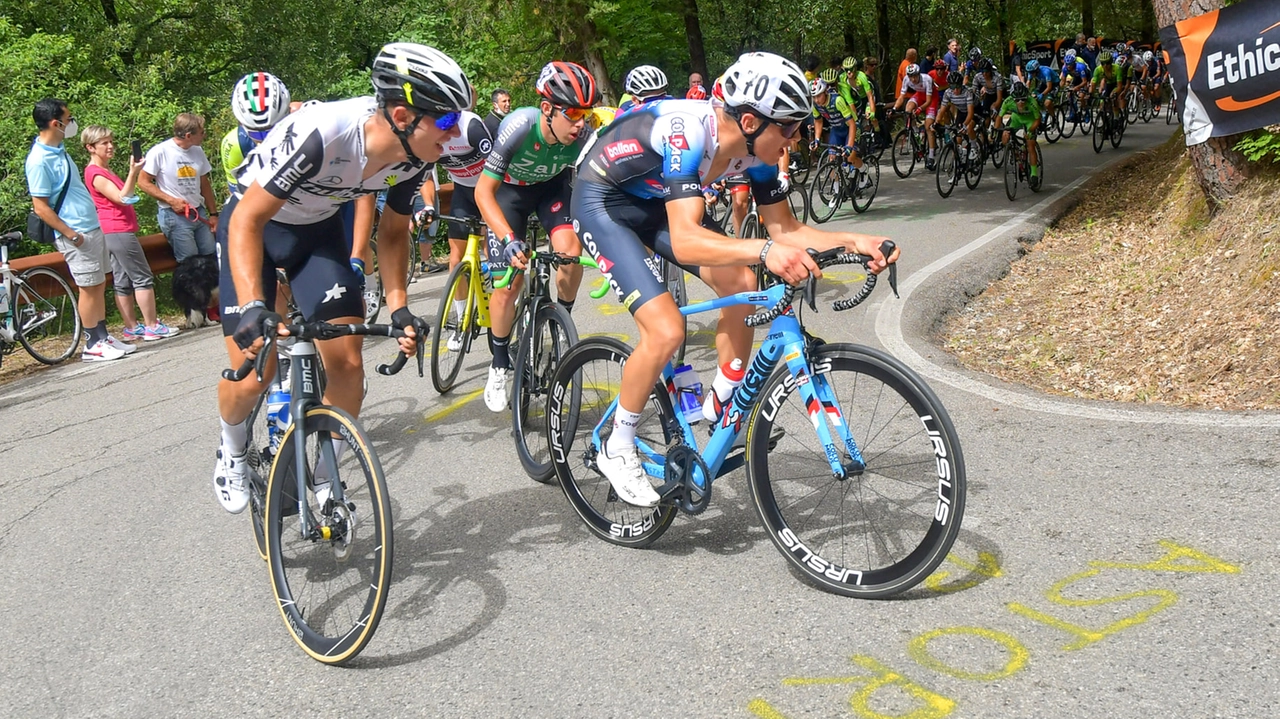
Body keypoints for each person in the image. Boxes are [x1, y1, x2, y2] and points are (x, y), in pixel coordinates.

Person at [571, 52, 896, 506]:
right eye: (789, 127)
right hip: (602, 200)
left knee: (743, 282)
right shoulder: (686, 132)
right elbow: (686, 240)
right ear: (749, 121)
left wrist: (857, 241)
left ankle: (722, 397)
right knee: (666, 328)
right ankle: (616, 444)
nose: (797, 137)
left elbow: (788, 230)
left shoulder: (757, 153)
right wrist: (766, 250)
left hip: (652, 202)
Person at [211, 42, 468, 514]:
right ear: (403, 114)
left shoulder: (415, 156)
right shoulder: (325, 134)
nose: (453, 134)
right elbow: (247, 221)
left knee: (348, 365)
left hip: (316, 235)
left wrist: (399, 306)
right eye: (447, 120)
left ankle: (329, 479)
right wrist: (252, 305)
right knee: (257, 372)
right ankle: (231, 447)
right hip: (255, 229)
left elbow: (392, 234)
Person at [475, 61, 598, 413]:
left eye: (585, 115)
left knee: (570, 253)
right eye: (572, 113)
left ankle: (560, 321)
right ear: (547, 108)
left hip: (550, 192)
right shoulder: (518, 126)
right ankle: (499, 362)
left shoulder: (583, 137)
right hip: (510, 195)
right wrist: (507, 238)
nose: (579, 124)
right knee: (508, 283)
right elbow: (484, 193)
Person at [25, 98, 134, 362]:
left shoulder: (59, 149)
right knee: (88, 287)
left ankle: (103, 335)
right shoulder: (39, 160)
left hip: (90, 226)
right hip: (75, 233)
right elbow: (40, 207)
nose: (71, 124)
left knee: (98, 284)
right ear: (55, 123)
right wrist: (71, 234)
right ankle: (92, 342)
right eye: (68, 119)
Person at [81, 125, 180, 342]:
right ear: (90, 147)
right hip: (117, 229)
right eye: (104, 143)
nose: (110, 146)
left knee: (122, 280)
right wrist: (134, 171)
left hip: (114, 230)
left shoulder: (103, 170)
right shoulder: (95, 173)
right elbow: (121, 197)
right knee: (142, 277)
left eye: (110, 141)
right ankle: (151, 325)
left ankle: (132, 326)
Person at [416, 108, 493, 351]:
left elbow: (499, 164)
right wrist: (428, 206)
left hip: (491, 188)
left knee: (492, 249)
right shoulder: (427, 135)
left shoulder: (471, 129)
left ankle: (503, 299)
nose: (453, 133)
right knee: (456, 257)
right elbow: (426, 177)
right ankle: (463, 323)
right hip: (463, 192)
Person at [137, 113, 220, 264]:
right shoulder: (160, 152)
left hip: (198, 211)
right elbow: (143, 182)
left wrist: (213, 214)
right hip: (174, 215)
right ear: (189, 135)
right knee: (190, 262)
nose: (204, 135)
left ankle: (212, 287)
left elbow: (204, 182)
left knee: (211, 257)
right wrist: (171, 200)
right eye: (202, 133)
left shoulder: (197, 151)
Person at [220, 72, 292, 195]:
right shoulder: (235, 144)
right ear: (240, 123)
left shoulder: (307, 122)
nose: (267, 140)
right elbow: (237, 194)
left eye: (273, 131)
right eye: (258, 135)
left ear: (288, 113)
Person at [893, 63, 939, 168]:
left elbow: (928, 101)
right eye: (910, 76)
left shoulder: (926, 79)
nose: (913, 79)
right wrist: (894, 108)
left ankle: (931, 157)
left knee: (928, 126)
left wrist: (919, 109)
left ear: (918, 74)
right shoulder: (906, 79)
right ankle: (916, 132)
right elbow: (901, 97)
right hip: (919, 95)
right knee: (908, 109)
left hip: (931, 98)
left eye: (914, 76)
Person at [999, 81, 1041, 179]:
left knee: (1030, 144)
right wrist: (997, 131)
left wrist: (1030, 131)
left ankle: (1034, 174)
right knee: (1005, 138)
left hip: (1030, 121)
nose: (1020, 102)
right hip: (1016, 119)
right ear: (1013, 99)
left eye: (1023, 99)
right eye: (1017, 100)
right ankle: (1016, 152)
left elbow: (1038, 120)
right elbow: (999, 117)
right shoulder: (1007, 101)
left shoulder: (1032, 102)